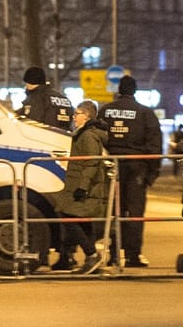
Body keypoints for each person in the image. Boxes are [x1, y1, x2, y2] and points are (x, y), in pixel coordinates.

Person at [102, 73, 163, 268]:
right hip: (137, 167)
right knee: (135, 212)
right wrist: (153, 173)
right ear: (135, 91)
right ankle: (132, 255)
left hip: (112, 166)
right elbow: (155, 144)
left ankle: (112, 253)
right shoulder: (145, 113)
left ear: (118, 90)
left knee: (113, 211)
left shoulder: (105, 111)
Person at [53, 101, 111, 274]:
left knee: (67, 216)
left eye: (77, 113)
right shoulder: (84, 134)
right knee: (82, 221)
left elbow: (92, 162)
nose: (74, 117)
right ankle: (91, 259)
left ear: (87, 116)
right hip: (80, 185)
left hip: (85, 188)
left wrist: (83, 187)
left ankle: (92, 254)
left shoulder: (88, 135)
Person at [17, 66, 75, 131]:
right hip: (64, 137)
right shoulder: (63, 98)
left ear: (29, 82)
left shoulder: (36, 98)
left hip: (44, 137)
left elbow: (33, 121)